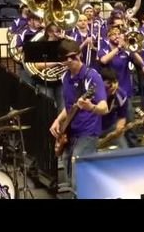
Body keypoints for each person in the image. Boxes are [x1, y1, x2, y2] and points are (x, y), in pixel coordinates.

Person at [49, 39, 108, 189]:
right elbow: (69, 106)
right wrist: (58, 120)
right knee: (69, 178)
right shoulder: (65, 77)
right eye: (65, 58)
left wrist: (91, 107)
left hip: (88, 132)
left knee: (79, 179)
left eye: (73, 56)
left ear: (80, 55)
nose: (70, 61)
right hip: (71, 131)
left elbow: (104, 107)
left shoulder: (91, 76)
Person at [98, 67, 129, 149]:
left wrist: (119, 128)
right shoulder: (93, 94)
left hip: (110, 127)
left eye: (115, 82)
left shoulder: (121, 95)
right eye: (109, 83)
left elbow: (122, 116)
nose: (113, 86)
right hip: (93, 129)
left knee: (124, 149)